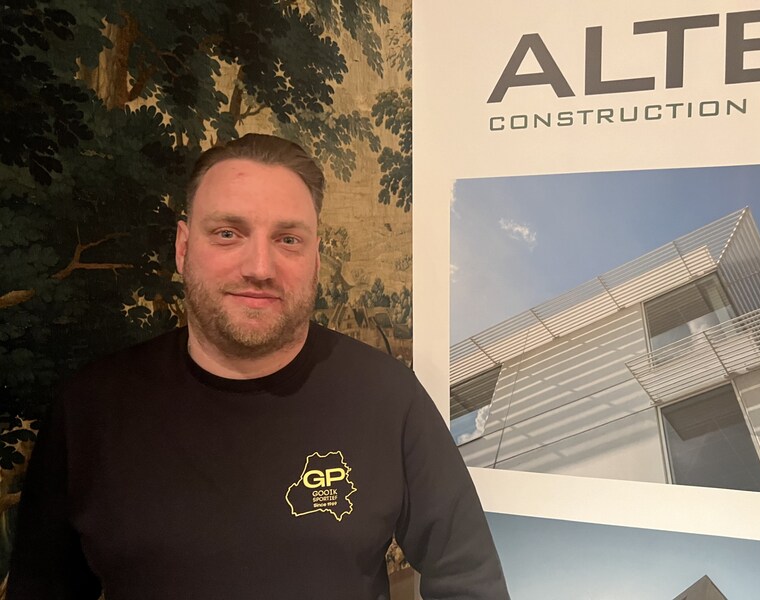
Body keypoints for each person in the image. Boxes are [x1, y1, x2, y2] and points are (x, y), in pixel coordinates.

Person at [8, 134, 510, 599]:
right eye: (228, 233)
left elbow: (470, 580)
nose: (259, 268)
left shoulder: (387, 396)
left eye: (288, 239)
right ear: (183, 247)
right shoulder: (91, 407)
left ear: (316, 258)